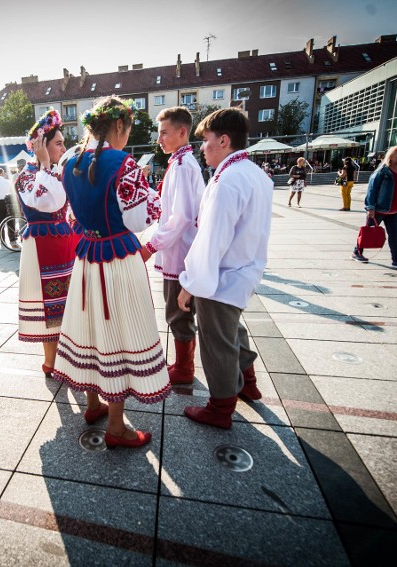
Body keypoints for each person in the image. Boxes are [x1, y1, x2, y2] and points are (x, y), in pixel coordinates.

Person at [57, 96, 169, 449]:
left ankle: (92, 404)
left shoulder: (68, 162)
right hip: (117, 260)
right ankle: (117, 427)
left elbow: (71, 216)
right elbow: (137, 221)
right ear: (119, 125)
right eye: (128, 129)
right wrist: (153, 200)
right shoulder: (124, 163)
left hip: (87, 257)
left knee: (90, 329)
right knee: (117, 334)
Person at [176, 109, 272, 429]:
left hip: (223, 274)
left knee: (217, 341)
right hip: (243, 270)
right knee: (233, 330)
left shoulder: (228, 179)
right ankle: (248, 381)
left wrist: (190, 282)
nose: (202, 147)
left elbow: (212, 238)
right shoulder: (254, 173)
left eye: (205, 140)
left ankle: (220, 407)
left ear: (224, 140)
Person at [139, 107, 204, 386]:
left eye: (164, 132)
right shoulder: (181, 162)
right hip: (182, 250)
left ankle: (185, 368)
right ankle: (183, 364)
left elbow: (180, 218)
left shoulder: (181, 165)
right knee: (180, 310)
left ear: (182, 132)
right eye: (159, 133)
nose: (159, 139)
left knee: (178, 311)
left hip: (181, 253)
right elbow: (171, 210)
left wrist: (150, 246)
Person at [13, 109, 79, 379]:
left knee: (67, 302)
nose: (63, 147)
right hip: (43, 248)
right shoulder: (27, 176)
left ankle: (65, 357)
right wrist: (44, 166)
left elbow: (66, 202)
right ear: (41, 146)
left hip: (64, 242)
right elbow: (47, 201)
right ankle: (50, 361)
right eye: (59, 143)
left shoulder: (55, 172)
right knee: (49, 304)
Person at [351, 145, 397, 269]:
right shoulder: (382, 171)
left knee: (395, 236)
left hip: (394, 210)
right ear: (391, 155)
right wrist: (370, 207)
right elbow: (372, 190)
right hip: (379, 209)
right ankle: (357, 252)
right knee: (368, 232)